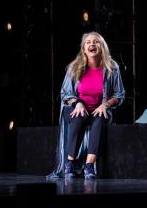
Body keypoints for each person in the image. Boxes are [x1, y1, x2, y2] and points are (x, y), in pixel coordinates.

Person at [48, 31, 125, 179]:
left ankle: (89, 166)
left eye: (96, 42)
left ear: (102, 46)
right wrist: (77, 103)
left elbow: (119, 94)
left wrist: (105, 105)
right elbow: (65, 94)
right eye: (88, 42)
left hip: (99, 108)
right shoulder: (74, 67)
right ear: (84, 49)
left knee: (100, 119)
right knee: (79, 117)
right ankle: (70, 163)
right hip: (76, 107)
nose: (92, 44)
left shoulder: (112, 68)